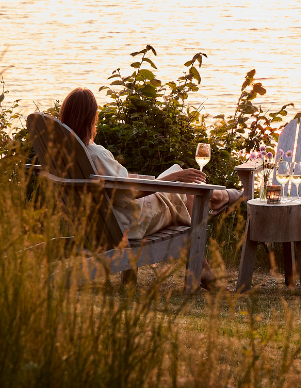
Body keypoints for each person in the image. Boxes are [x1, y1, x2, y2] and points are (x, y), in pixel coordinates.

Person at [58, 87, 242, 289]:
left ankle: (216, 209)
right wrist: (174, 179)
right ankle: (220, 199)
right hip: (128, 224)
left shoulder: (65, 156)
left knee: (176, 173)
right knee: (184, 187)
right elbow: (127, 194)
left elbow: (118, 184)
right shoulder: (95, 153)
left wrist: (163, 177)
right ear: (91, 118)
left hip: (99, 223)